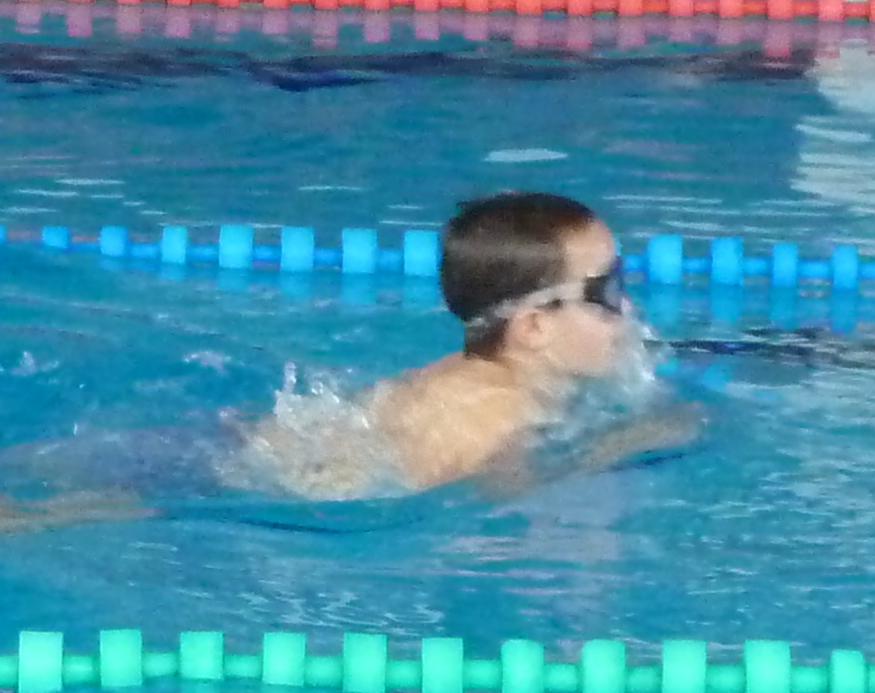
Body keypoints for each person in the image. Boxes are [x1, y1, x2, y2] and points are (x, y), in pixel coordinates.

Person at [253, 189, 663, 495]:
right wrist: (622, 445)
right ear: (535, 326)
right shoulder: (495, 415)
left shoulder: (477, 378)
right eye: (607, 291)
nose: (626, 307)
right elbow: (505, 509)